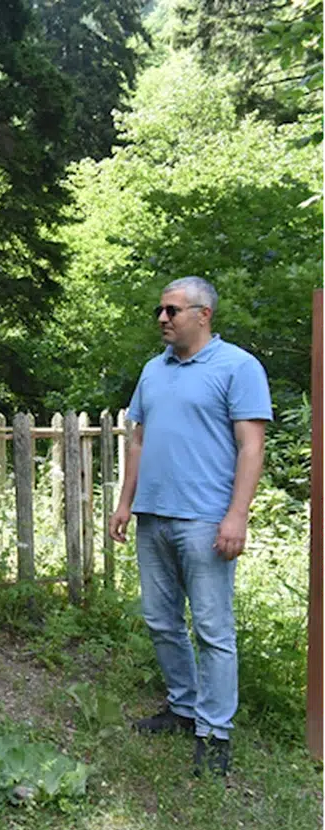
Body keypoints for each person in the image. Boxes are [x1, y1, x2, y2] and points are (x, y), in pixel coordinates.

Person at [109, 276, 272, 778]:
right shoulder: (152, 372)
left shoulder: (238, 367)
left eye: (172, 310)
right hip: (153, 516)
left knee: (213, 629)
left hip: (205, 520)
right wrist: (124, 503)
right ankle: (184, 708)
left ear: (203, 315)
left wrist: (237, 515)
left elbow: (251, 446)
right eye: (160, 310)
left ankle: (215, 732)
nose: (162, 318)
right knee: (160, 620)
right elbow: (138, 440)